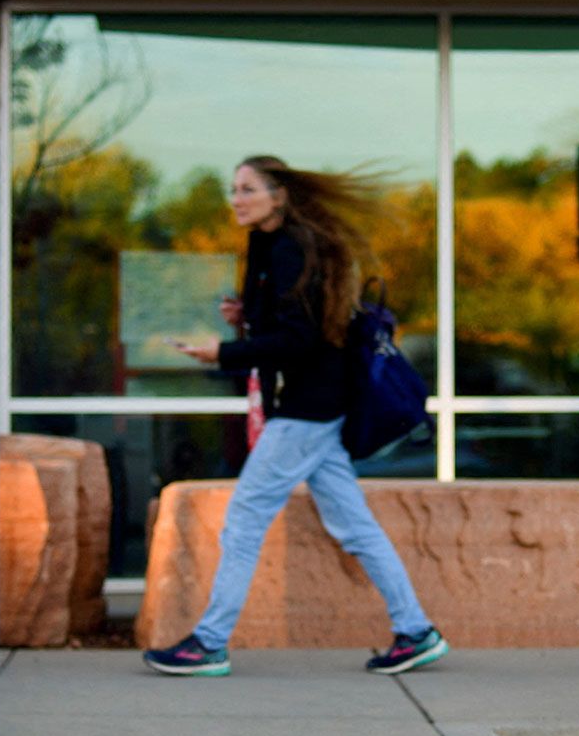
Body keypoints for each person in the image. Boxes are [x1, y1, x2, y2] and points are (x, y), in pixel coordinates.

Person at [141, 156, 448, 679]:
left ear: (278, 196)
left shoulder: (291, 248)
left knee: (243, 521)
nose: (236, 198)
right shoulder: (272, 245)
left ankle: (210, 643)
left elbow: (299, 341)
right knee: (355, 526)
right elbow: (292, 323)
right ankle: (416, 630)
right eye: (233, 188)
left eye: (247, 189)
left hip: (308, 409)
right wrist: (248, 318)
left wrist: (223, 352)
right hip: (315, 409)